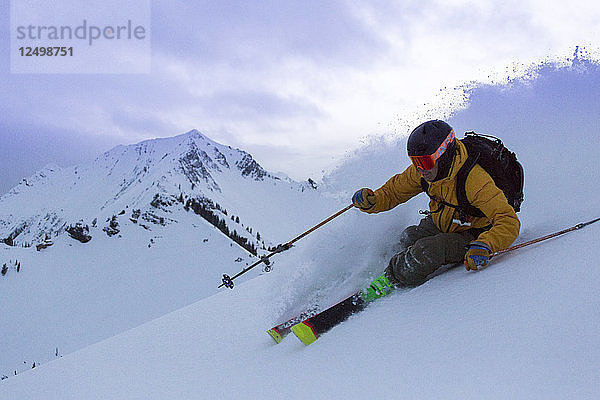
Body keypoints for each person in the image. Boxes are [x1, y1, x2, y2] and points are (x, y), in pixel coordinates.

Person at [352, 120, 520, 288]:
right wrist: (372, 201)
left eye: (424, 162)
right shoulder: (423, 171)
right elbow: (394, 192)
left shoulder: (475, 181)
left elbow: (508, 221)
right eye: (415, 161)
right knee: (408, 237)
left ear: (444, 156)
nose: (420, 169)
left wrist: (486, 245)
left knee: (428, 250)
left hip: (474, 233)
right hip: (444, 219)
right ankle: (375, 270)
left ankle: (386, 283)